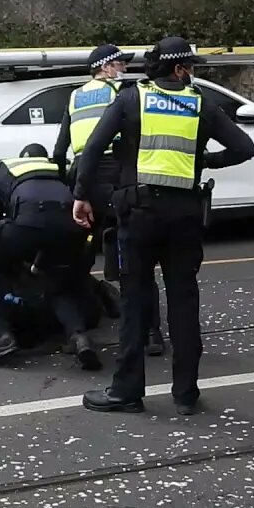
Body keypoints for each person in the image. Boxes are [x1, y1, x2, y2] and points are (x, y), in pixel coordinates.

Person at [74, 36, 254, 416]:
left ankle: (127, 392)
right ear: (179, 68)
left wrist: (81, 196)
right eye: (190, 66)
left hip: (138, 216)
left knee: (135, 302)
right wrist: (202, 162)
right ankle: (186, 392)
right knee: (184, 303)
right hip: (185, 217)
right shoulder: (200, 104)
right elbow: (244, 148)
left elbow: (92, 149)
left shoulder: (130, 99)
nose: (192, 73)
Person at [53, 43, 166, 355]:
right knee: (137, 258)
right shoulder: (124, 92)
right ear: (105, 67)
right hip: (116, 177)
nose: (124, 69)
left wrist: (73, 191)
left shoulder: (75, 96)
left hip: (84, 182)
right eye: (119, 64)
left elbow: (59, 150)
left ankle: (76, 333)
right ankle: (152, 333)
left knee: (77, 259)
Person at [0, 144, 103, 370]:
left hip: (29, 219)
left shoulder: (5, 167)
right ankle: (78, 336)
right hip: (69, 222)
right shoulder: (55, 167)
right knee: (57, 281)